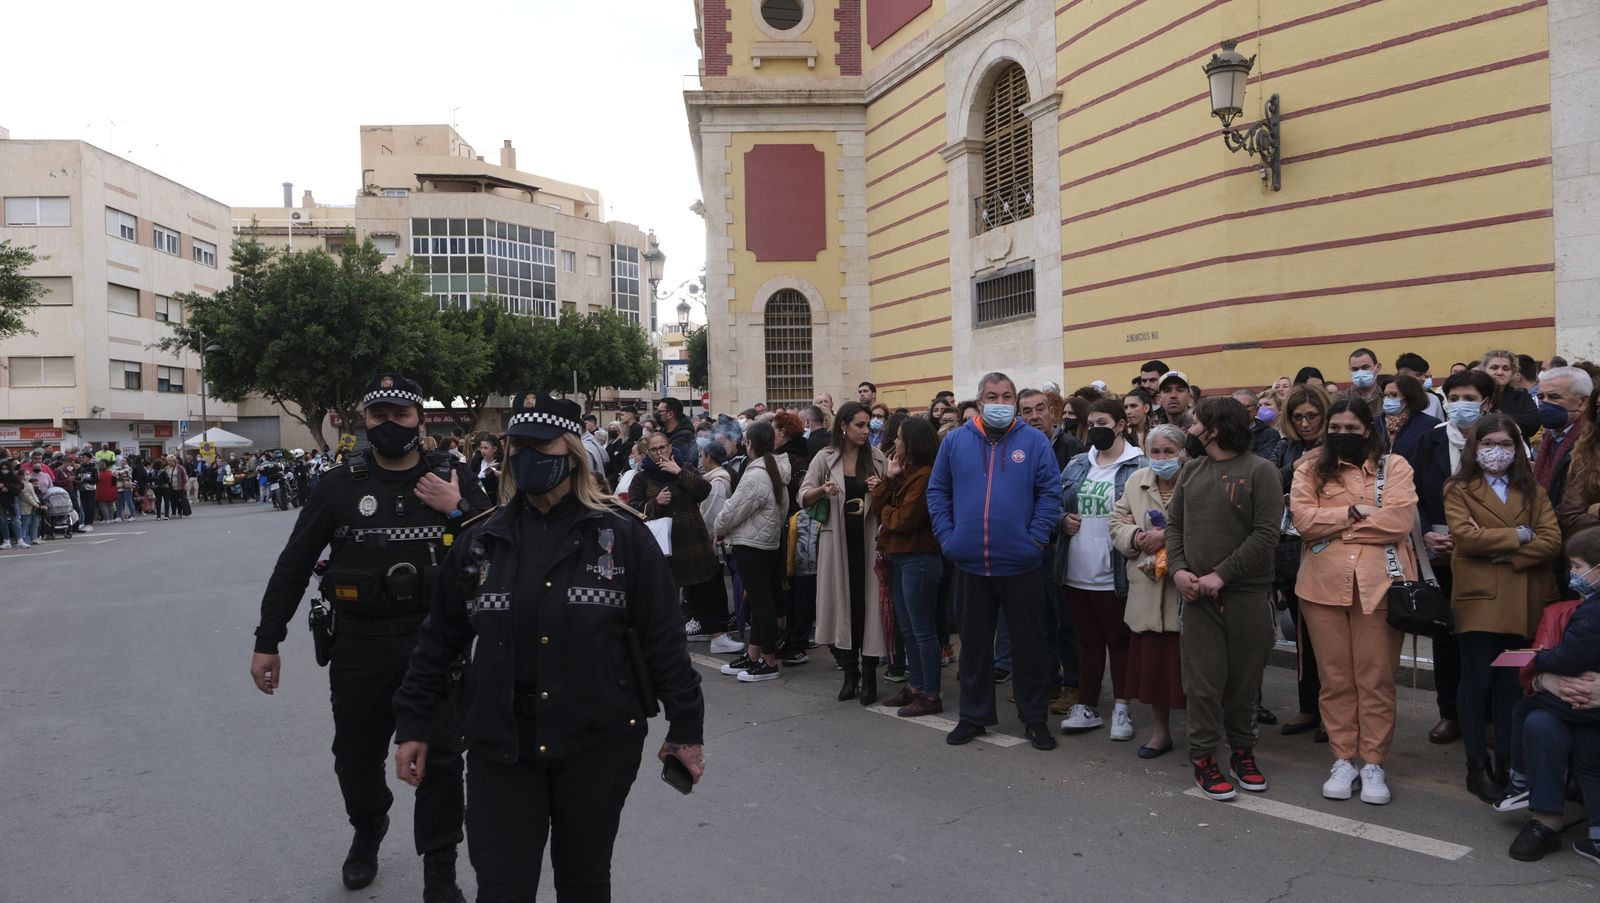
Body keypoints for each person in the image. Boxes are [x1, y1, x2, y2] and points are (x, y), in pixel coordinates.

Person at [391, 390, 704, 902]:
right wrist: (414, 724)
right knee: (502, 886)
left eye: (543, 446)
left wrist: (686, 728)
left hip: (597, 744)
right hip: (501, 749)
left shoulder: (623, 537)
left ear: (573, 451)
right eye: (518, 447)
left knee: (583, 882)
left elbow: (664, 640)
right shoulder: (480, 542)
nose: (527, 458)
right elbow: (438, 641)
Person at [248, 374, 489, 901]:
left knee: (444, 761)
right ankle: (368, 827)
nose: (389, 425)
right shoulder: (338, 486)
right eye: (379, 416)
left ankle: (440, 869)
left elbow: (499, 550)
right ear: (364, 420)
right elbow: (292, 566)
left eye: (401, 415)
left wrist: (459, 508)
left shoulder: (454, 476)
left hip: (436, 646)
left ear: (420, 420)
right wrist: (269, 640)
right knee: (354, 757)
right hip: (359, 644)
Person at [927, 372, 1062, 750]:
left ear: (1014, 402)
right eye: (992, 395)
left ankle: (1035, 719)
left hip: (1021, 565)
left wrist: (1035, 538)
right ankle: (973, 715)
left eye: (1006, 396)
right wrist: (948, 538)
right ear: (980, 400)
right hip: (970, 563)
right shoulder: (955, 441)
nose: (999, 402)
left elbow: (1051, 492)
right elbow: (937, 491)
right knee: (973, 646)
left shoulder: (1034, 442)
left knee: (1029, 647)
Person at [1290, 398, 1415, 805]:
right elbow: (1304, 521)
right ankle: (1343, 758)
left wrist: (1338, 526)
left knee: (1375, 681)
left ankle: (1374, 762)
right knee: (1336, 680)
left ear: (1367, 429)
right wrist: (1357, 512)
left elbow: (1398, 522)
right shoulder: (1308, 468)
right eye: (1336, 428)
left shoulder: (1394, 467)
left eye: (1351, 428)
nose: (1343, 434)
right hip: (1321, 589)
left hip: (1380, 586)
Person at [1168, 397, 1283, 801]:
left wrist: (1222, 575)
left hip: (1248, 597)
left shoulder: (1261, 471)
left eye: (1194, 424)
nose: (1189, 432)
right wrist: (1179, 570)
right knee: (1202, 684)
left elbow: (1267, 533)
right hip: (1197, 598)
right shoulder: (1191, 470)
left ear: (1213, 429)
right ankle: (1202, 758)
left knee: (1243, 685)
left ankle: (1242, 752)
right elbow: (1174, 525)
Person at [1444, 412, 1563, 802]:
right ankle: (1476, 766)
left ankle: (1508, 764)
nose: (1497, 451)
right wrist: (1519, 534)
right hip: (1479, 602)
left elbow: (1552, 541)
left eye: (1506, 444)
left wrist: (1511, 554)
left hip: (1524, 599)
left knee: (1510, 685)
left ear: (1518, 447)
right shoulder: (1458, 488)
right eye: (1489, 443)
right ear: (1474, 447)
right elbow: (1466, 538)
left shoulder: (1534, 491)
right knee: (1476, 681)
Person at [1497, 527, 1600, 863]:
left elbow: (1561, 656)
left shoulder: (1589, 614)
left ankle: (1519, 780)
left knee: (1531, 711)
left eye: (1577, 566)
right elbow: (1534, 667)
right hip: (1572, 702)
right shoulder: (1561, 611)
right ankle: (1546, 819)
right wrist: (1546, 682)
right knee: (1541, 721)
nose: (1572, 573)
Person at [1412, 369, 1498, 745]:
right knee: (1446, 636)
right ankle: (1450, 713)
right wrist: (1428, 532)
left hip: (1487, 553)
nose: (1462, 405)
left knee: (1485, 633)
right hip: (1442, 553)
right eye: (1455, 398)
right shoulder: (1429, 440)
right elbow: (1414, 493)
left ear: (1487, 402)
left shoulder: (1500, 441)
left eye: (1470, 398)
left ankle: (1489, 713)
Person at [1056, 399, 1147, 739]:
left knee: (1119, 640)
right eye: (1091, 422)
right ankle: (1087, 705)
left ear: (1122, 425)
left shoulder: (1139, 465)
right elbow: (1054, 503)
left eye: (1103, 422)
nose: (1096, 428)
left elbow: (1155, 510)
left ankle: (1122, 709)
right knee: (1087, 641)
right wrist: (1061, 519)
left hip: (1116, 571)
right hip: (1075, 568)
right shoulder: (1078, 463)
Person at [800, 402, 890, 705]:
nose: (866, 431)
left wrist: (880, 490)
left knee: (869, 608)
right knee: (843, 606)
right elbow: (803, 496)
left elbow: (889, 501)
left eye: (868, 426)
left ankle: (870, 675)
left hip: (868, 541)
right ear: (843, 426)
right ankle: (849, 675)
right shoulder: (825, 458)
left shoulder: (877, 458)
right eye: (860, 425)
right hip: (836, 539)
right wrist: (824, 490)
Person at [1109, 423, 1187, 757]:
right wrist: (1137, 537)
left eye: (1169, 451)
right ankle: (1160, 733)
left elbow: (1204, 527)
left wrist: (1167, 538)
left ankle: (1203, 735)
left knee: (1190, 669)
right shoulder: (1135, 481)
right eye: (1155, 451)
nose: (1161, 458)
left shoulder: (1194, 481)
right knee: (1154, 669)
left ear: (1182, 453)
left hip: (1183, 589)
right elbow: (1116, 522)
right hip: (1147, 585)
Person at [873, 416, 944, 717]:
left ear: (912, 442)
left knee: (922, 630)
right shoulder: (904, 472)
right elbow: (877, 507)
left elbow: (904, 520)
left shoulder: (926, 476)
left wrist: (888, 512)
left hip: (919, 558)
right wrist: (889, 478)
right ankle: (915, 686)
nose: (895, 442)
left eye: (900, 437)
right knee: (909, 629)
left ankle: (930, 693)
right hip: (901, 557)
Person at [629, 429, 725, 647]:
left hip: (692, 540)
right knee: (665, 595)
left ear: (670, 448)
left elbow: (703, 491)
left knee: (703, 590)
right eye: (654, 449)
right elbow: (633, 509)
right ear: (648, 453)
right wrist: (655, 504)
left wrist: (678, 471)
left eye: (662, 447)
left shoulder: (685, 467)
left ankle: (717, 636)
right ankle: (665, 638)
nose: (659, 452)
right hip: (664, 545)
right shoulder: (642, 477)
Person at [712, 420, 791, 682]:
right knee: (758, 603)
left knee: (761, 604)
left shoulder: (757, 473)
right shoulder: (775, 469)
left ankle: (768, 661)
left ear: (749, 443)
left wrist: (719, 527)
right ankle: (754, 654)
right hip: (765, 543)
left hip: (752, 545)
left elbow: (733, 510)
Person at [1534, 365, 1593, 501]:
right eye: (1541, 397)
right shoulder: (1550, 436)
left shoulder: (1592, 442)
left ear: (1583, 402)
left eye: (1554, 397)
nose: (1545, 404)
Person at [1482, 350, 1541, 441]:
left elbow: (1532, 423)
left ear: (1513, 373)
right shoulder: (1476, 394)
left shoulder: (1521, 395)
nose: (1500, 372)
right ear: (1484, 370)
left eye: (1506, 369)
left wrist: (1494, 416)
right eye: (1494, 368)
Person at [1379, 374, 1441, 459]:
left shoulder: (1430, 424)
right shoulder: (1376, 423)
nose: (1387, 399)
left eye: (1394, 395)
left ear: (1409, 397)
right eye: (1385, 395)